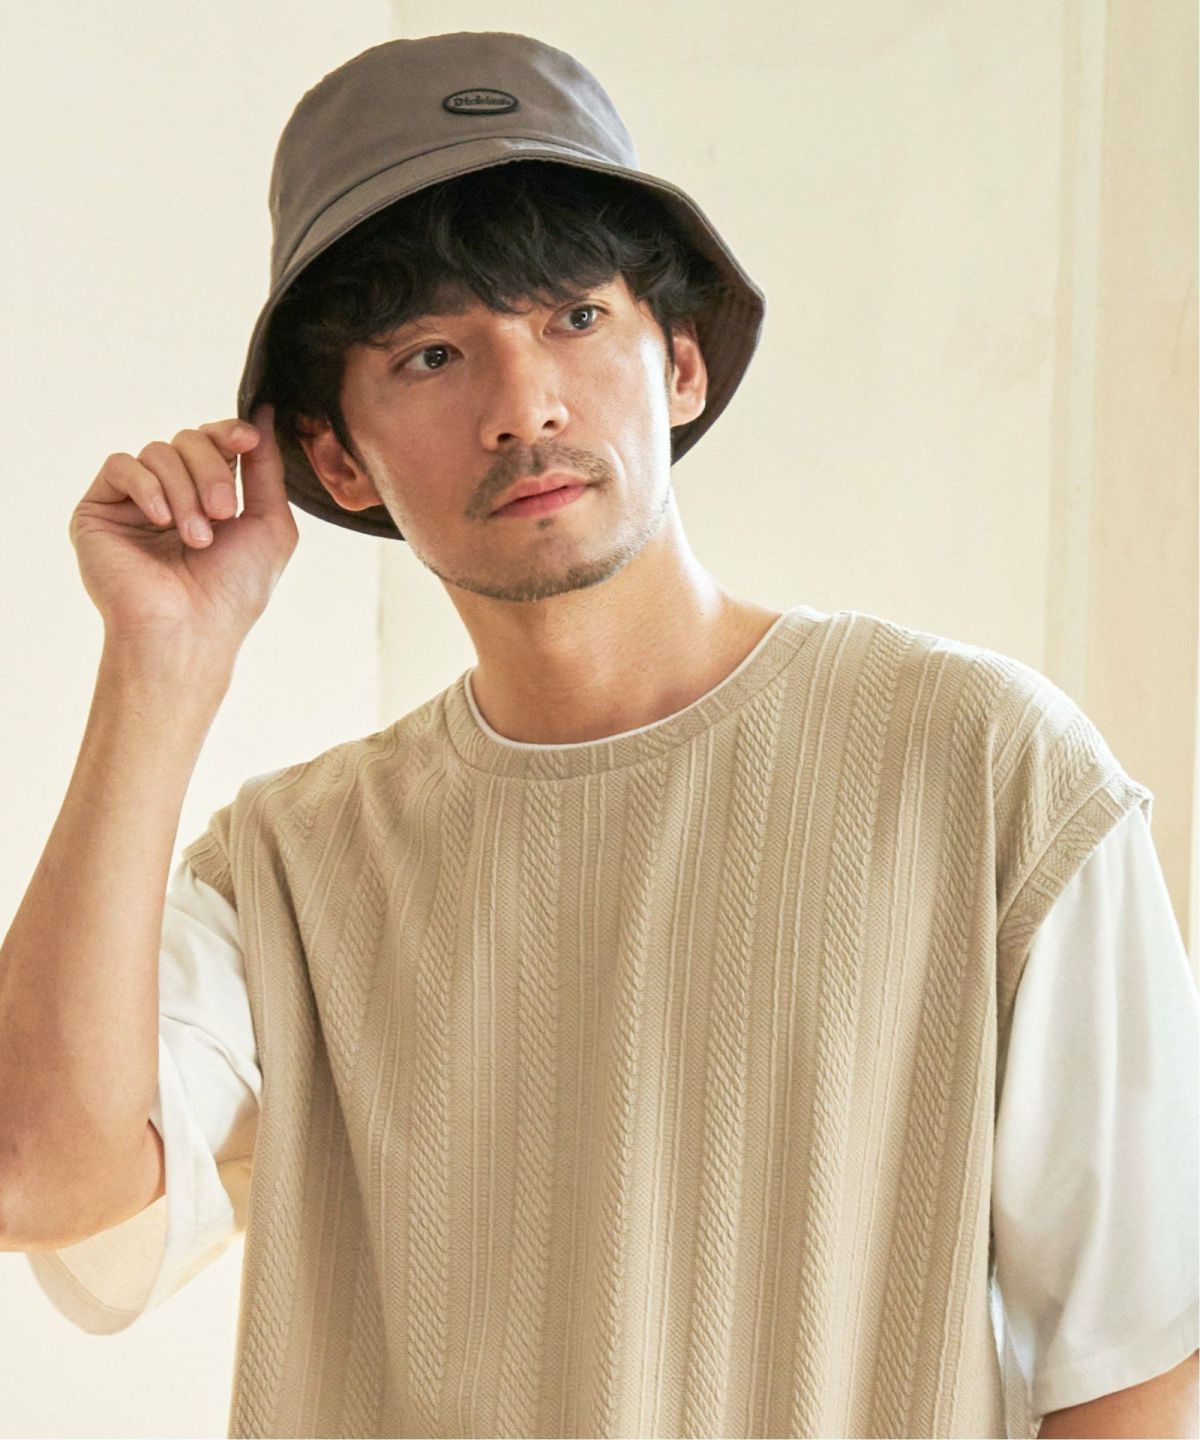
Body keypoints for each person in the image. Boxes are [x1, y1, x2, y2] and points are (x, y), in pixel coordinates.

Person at [1, 30, 1196, 1440]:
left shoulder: (987, 770)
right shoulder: (290, 872)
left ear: (679, 365)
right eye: (432, 354)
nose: (526, 406)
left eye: (573, 317)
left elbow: (1135, 1359)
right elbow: (38, 1173)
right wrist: (162, 659)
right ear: (336, 457)